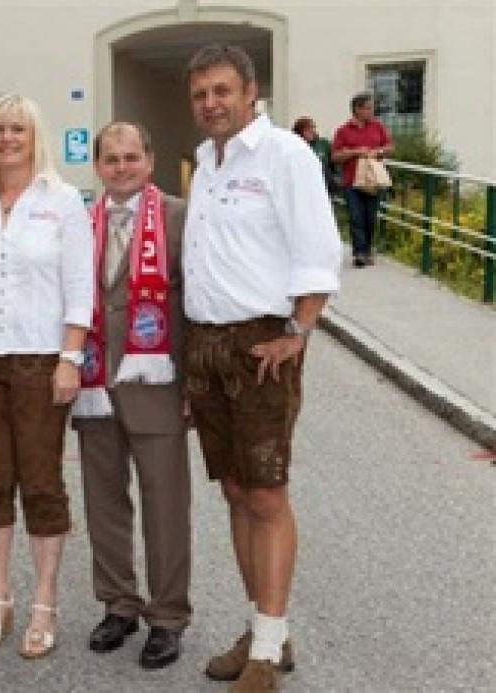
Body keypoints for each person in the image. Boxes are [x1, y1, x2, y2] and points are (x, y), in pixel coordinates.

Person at [182, 45, 341, 692]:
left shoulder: (285, 155)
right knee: (236, 491)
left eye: (222, 91)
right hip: (207, 345)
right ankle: (264, 628)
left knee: (268, 492)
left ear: (251, 91)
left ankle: (267, 654)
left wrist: (297, 333)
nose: (211, 104)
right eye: (200, 95)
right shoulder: (208, 162)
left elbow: (318, 249)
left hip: (260, 343)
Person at [0, 93, 95, 659]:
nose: (7, 140)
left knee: (41, 483)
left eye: (17, 130)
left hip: (41, 360)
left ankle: (44, 600)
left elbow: (79, 286)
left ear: (34, 137)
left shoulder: (61, 202)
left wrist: (71, 357)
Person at [71, 121, 192, 669]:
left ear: (150, 159)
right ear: (97, 166)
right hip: (96, 382)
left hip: (157, 383)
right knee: (104, 499)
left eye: (130, 157)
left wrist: (193, 385)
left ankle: (168, 615)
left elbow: (196, 303)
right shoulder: (79, 222)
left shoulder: (179, 217)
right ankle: (118, 602)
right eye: (110, 159)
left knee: (165, 503)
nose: (121, 168)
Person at [332, 93, 394, 267]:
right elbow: (335, 156)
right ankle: (359, 253)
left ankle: (367, 250)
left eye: (371, 107)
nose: (371, 111)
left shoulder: (377, 127)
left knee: (370, 217)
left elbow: (390, 147)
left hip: (372, 180)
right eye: (368, 107)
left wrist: (378, 152)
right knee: (355, 217)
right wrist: (354, 152)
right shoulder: (343, 131)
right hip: (351, 181)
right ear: (357, 109)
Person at [292, 116, 340, 194]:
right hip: (303, 185)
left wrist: (336, 177)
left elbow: (334, 163)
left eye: (313, 127)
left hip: (324, 184)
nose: (312, 131)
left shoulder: (323, 144)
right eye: (308, 128)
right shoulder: (294, 145)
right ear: (300, 131)